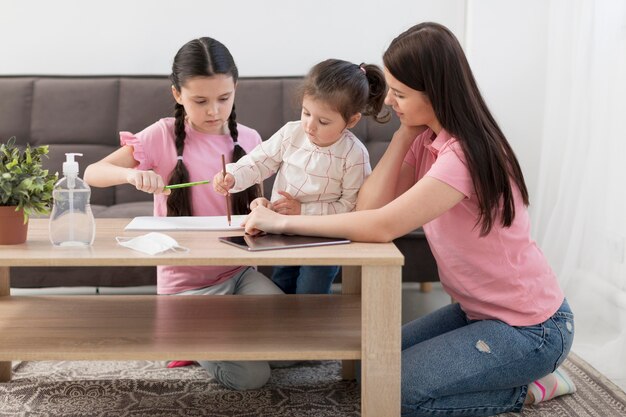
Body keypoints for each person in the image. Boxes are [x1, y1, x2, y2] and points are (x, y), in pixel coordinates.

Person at [241, 22, 576, 416]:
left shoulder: (462, 156)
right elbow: (368, 207)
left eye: (400, 94)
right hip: (477, 313)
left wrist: (283, 223)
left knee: (395, 393)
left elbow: (381, 225)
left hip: (532, 330)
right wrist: (404, 134)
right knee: (374, 364)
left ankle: (530, 388)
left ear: (435, 93)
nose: (389, 103)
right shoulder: (428, 140)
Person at [84, 37, 285, 391]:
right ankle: (190, 341)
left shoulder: (252, 139)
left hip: (240, 274)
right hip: (188, 288)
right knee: (252, 376)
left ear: (236, 88)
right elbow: (92, 174)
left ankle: (221, 334)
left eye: (224, 98)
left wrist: (263, 208)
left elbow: (260, 205)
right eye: (200, 101)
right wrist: (131, 173)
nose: (214, 112)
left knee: (299, 341)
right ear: (177, 94)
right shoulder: (161, 135)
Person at [213, 58, 388, 294]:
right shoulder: (291, 133)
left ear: (352, 120)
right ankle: (284, 330)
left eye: (323, 121)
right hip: (283, 235)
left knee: (310, 294)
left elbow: (351, 208)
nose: (310, 126)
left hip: (325, 239)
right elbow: (257, 162)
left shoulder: (354, 154)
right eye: (306, 113)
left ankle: (309, 329)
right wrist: (233, 176)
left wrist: (303, 211)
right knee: (281, 287)